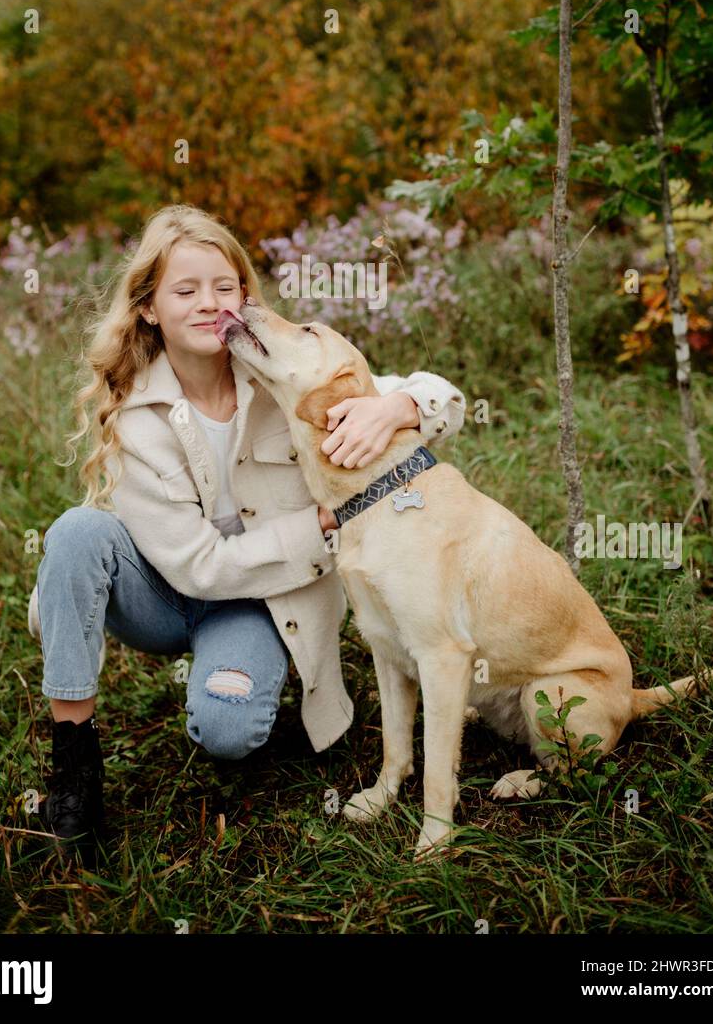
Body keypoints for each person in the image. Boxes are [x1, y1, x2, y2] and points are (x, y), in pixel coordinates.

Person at [27, 204, 466, 844]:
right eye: (185, 290)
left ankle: (236, 677)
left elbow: (445, 401)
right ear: (149, 307)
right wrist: (319, 527)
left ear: (243, 296)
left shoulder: (284, 371)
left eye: (224, 287)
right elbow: (198, 565)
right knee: (76, 533)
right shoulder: (136, 415)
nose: (209, 304)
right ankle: (75, 765)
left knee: (230, 734)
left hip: (258, 602)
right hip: (163, 593)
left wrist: (394, 406)